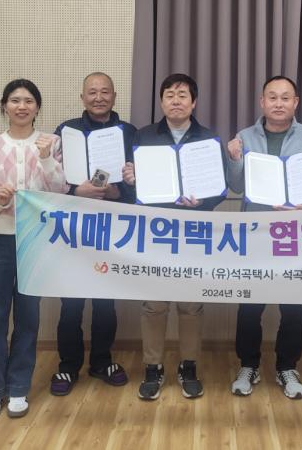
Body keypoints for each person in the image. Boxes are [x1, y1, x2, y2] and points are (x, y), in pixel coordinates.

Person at [225, 75, 302, 400]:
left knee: (293, 305)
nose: (278, 103)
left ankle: (287, 366)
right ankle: (248, 365)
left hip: (295, 234)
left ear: (295, 103)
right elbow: (236, 186)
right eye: (272, 97)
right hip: (256, 234)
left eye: (285, 98)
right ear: (262, 102)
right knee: (249, 305)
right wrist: (234, 159)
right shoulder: (245, 137)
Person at [122, 73, 226, 400]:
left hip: (193, 231)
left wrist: (203, 202)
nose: (176, 100)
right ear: (161, 101)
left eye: (183, 95)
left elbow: (221, 188)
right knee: (154, 304)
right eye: (170, 95)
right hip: (156, 231)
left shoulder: (208, 139)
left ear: (194, 103)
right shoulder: (143, 136)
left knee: (190, 304)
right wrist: (131, 180)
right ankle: (152, 367)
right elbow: (132, 189)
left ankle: (188, 366)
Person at [0, 79, 69, 420]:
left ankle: (18, 387)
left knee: (28, 316)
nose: (22, 106)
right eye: (15, 100)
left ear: (37, 107)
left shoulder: (51, 143)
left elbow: (60, 190)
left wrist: (45, 159)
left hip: (35, 238)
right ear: (4, 106)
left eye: (29, 100)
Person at [49, 72, 136, 395]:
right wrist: (76, 190)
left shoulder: (130, 133)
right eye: (92, 92)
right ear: (82, 97)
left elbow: (138, 188)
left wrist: (116, 192)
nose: (99, 97)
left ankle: (101, 361)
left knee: (105, 302)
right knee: (71, 303)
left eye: (105, 92)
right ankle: (68, 366)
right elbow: (51, 180)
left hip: (112, 229)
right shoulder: (65, 132)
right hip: (73, 229)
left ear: (114, 96)